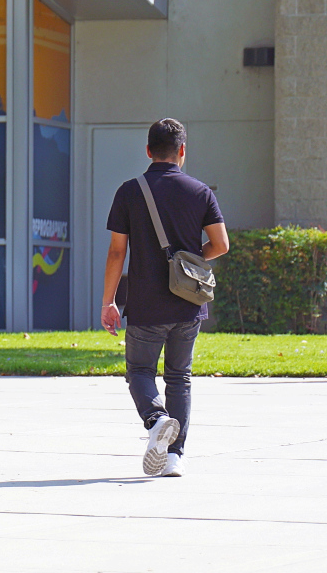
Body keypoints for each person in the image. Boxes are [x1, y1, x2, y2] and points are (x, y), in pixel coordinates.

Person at [101, 118, 228, 478]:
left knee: (140, 371)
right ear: (182, 151)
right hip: (189, 303)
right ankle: (175, 457)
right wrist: (187, 262)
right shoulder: (200, 191)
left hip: (144, 303)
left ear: (147, 151)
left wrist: (109, 301)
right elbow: (221, 245)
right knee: (179, 377)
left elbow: (116, 253)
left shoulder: (129, 191)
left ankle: (156, 419)